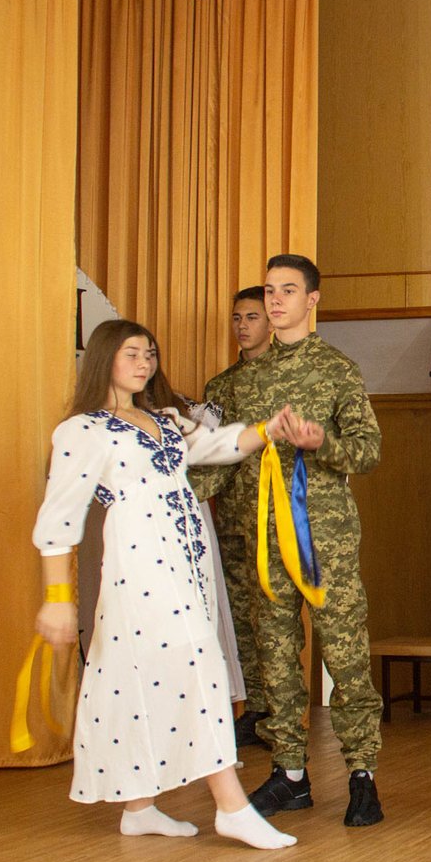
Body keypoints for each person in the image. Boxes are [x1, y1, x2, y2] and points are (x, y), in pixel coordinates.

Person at [30, 319, 300, 849]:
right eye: (131, 353)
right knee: (198, 666)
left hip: (188, 562)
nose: (144, 363)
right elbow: (59, 516)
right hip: (139, 566)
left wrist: (270, 428)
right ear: (104, 358)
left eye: (149, 353)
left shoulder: (165, 420)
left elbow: (220, 444)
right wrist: (57, 598)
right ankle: (231, 806)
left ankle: (138, 808)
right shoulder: (83, 431)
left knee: (134, 676)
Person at [237, 254, 386, 828]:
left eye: (288, 290)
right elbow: (229, 457)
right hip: (263, 539)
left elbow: (367, 452)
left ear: (312, 299)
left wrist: (324, 443)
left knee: (345, 657)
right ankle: (290, 775)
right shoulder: (246, 378)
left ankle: (361, 773)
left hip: (325, 540)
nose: (275, 300)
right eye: (269, 290)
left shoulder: (337, 369)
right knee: (275, 656)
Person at [190, 286, 275, 746]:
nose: (243, 326)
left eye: (252, 317)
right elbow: (209, 452)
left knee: (274, 617)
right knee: (240, 616)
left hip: (275, 516)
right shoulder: (220, 385)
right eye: (237, 318)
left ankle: (281, 711)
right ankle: (256, 706)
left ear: (271, 321)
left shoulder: (286, 378)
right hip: (231, 516)